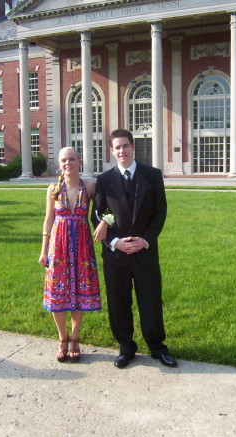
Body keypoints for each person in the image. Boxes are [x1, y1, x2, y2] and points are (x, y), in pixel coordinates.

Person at [92, 129, 177, 369]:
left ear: (133, 147)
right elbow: (99, 213)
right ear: (111, 150)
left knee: (150, 300)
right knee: (119, 302)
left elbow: (160, 212)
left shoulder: (152, 175)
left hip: (145, 253)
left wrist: (145, 240)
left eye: (125, 146)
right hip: (116, 254)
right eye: (117, 147)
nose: (122, 151)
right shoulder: (104, 179)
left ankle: (157, 347)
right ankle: (126, 347)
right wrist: (114, 241)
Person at [38, 147, 101, 363]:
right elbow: (48, 220)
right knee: (58, 292)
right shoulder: (53, 189)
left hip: (82, 247)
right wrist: (43, 250)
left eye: (72, 159)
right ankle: (62, 338)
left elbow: (102, 211)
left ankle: (75, 338)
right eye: (64, 160)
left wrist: (104, 223)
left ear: (79, 161)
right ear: (59, 163)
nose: (68, 163)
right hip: (59, 248)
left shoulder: (90, 186)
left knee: (79, 292)